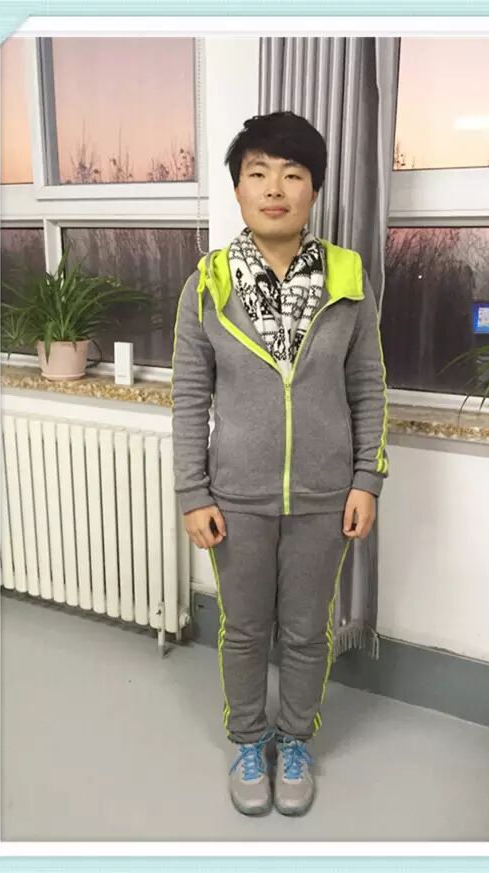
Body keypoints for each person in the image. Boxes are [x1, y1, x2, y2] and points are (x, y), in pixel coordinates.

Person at [171, 111, 389, 817]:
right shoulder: (207, 285)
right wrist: (192, 491)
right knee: (242, 630)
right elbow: (188, 397)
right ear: (237, 188)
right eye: (258, 172)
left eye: (293, 174)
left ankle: (294, 740)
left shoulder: (348, 278)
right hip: (234, 496)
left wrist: (366, 480)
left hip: (326, 496)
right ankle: (247, 740)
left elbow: (368, 387)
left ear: (313, 190)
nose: (274, 188)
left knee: (305, 630)